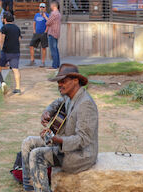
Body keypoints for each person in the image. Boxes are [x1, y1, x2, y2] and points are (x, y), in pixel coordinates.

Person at [20, 64, 98, 192]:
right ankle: (29, 188)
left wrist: (59, 140)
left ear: (75, 80)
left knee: (37, 155)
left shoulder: (86, 104)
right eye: (58, 82)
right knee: (28, 142)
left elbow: (84, 139)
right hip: (65, 144)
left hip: (80, 155)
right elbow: (57, 102)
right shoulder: (70, 96)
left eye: (63, 81)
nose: (59, 85)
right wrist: (48, 112)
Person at [0, 12, 22, 94]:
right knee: (15, 69)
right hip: (15, 51)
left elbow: (1, 39)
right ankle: (18, 88)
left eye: (2, 18)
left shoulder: (4, 28)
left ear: (5, 19)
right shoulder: (17, 28)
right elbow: (19, 39)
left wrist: (0, 49)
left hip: (6, 51)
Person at [29, 3, 49, 67]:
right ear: (39, 8)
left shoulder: (47, 15)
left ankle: (43, 62)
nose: (42, 8)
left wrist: (46, 31)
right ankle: (32, 60)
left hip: (43, 33)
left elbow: (48, 23)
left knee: (43, 47)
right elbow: (34, 22)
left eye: (43, 7)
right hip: (36, 33)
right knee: (31, 45)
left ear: (45, 8)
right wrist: (34, 30)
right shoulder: (36, 15)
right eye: (41, 7)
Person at [45, 1, 61, 70]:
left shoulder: (53, 13)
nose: (50, 7)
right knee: (56, 49)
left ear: (54, 6)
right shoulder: (59, 13)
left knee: (53, 50)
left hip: (52, 33)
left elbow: (48, 22)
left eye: (51, 5)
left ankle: (54, 65)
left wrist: (45, 17)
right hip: (56, 33)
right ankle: (57, 64)